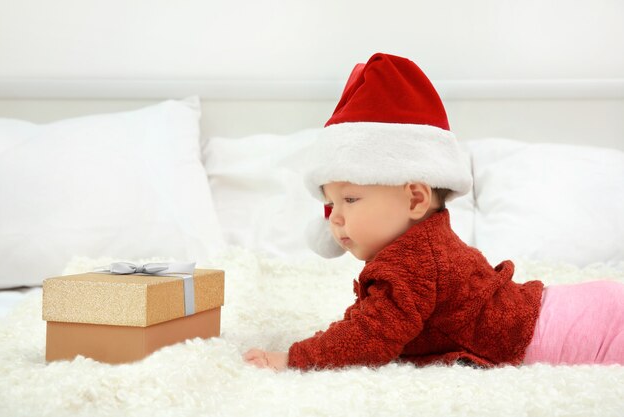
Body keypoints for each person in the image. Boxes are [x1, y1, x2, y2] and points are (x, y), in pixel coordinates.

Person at [243, 52, 624, 372]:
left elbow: (369, 338)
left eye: (351, 199)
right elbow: (372, 319)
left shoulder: (411, 261)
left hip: (561, 330)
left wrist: (293, 358)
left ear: (414, 199)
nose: (335, 218)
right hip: (567, 309)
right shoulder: (420, 248)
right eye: (331, 203)